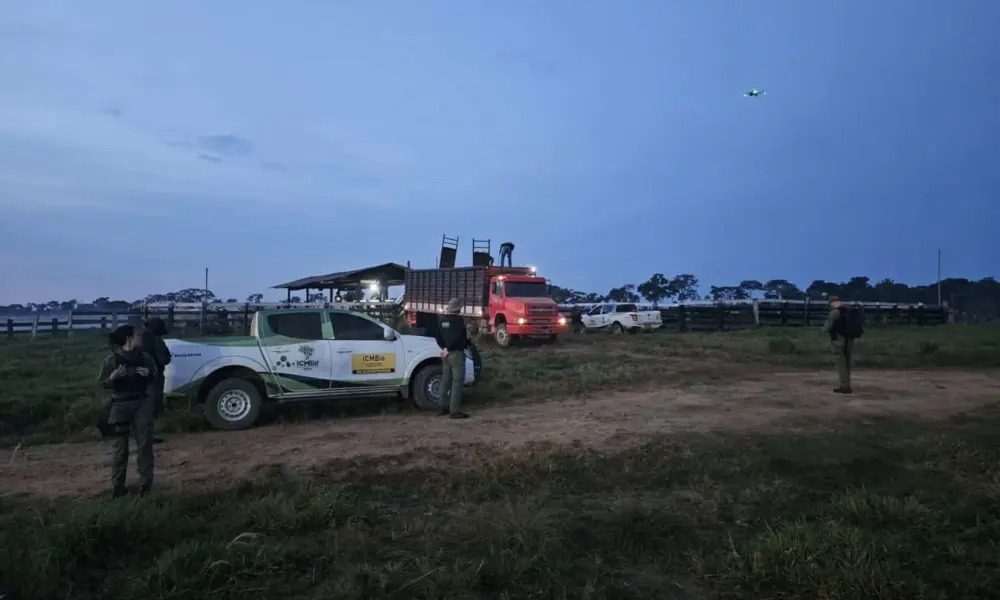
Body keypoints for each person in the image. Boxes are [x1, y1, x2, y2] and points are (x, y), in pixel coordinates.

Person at [97, 324, 159, 498]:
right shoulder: (111, 360)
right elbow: (102, 384)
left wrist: (149, 374)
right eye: (137, 334)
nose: (140, 336)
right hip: (120, 405)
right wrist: (112, 378)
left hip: (141, 403)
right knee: (120, 449)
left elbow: (155, 377)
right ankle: (118, 488)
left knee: (145, 445)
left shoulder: (145, 358)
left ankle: (145, 486)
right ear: (129, 338)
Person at [434, 298, 469, 419]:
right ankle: (454, 410)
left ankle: (441, 407)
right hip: (456, 354)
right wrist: (449, 348)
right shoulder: (459, 321)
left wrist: (444, 348)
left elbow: (437, 336)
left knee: (446, 380)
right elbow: (460, 338)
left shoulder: (441, 320)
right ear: (459, 308)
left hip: (445, 354)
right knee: (457, 382)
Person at [142, 317, 172, 444]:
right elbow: (163, 360)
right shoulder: (157, 340)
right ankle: (148, 435)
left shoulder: (140, 337)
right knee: (153, 405)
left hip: (139, 376)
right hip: (154, 375)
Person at [822, 296, 854, 394]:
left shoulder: (835, 312)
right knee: (847, 363)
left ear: (832, 302)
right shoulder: (849, 311)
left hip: (838, 339)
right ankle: (847, 384)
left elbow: (827, 327)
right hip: (850, 339)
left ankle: (844, 386)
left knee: (840, 364)